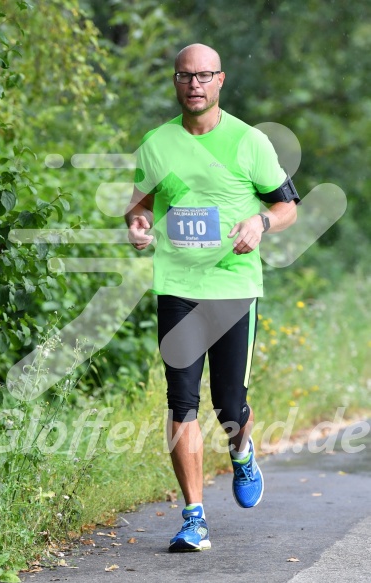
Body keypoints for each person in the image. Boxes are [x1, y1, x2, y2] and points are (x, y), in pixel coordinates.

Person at [125, 43, 300, 552]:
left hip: (233, 289)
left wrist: (260, 221)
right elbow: (138, 205)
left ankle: (242, 454)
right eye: (185, 76)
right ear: (175, 82)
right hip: (177, 288)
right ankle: (194, 517)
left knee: (228, 406)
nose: (194, 85)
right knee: (180, 402)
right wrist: (137, 225)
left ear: (220, 80)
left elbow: (287, 206)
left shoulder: (249, 142)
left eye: (204, 76)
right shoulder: (156, 143)